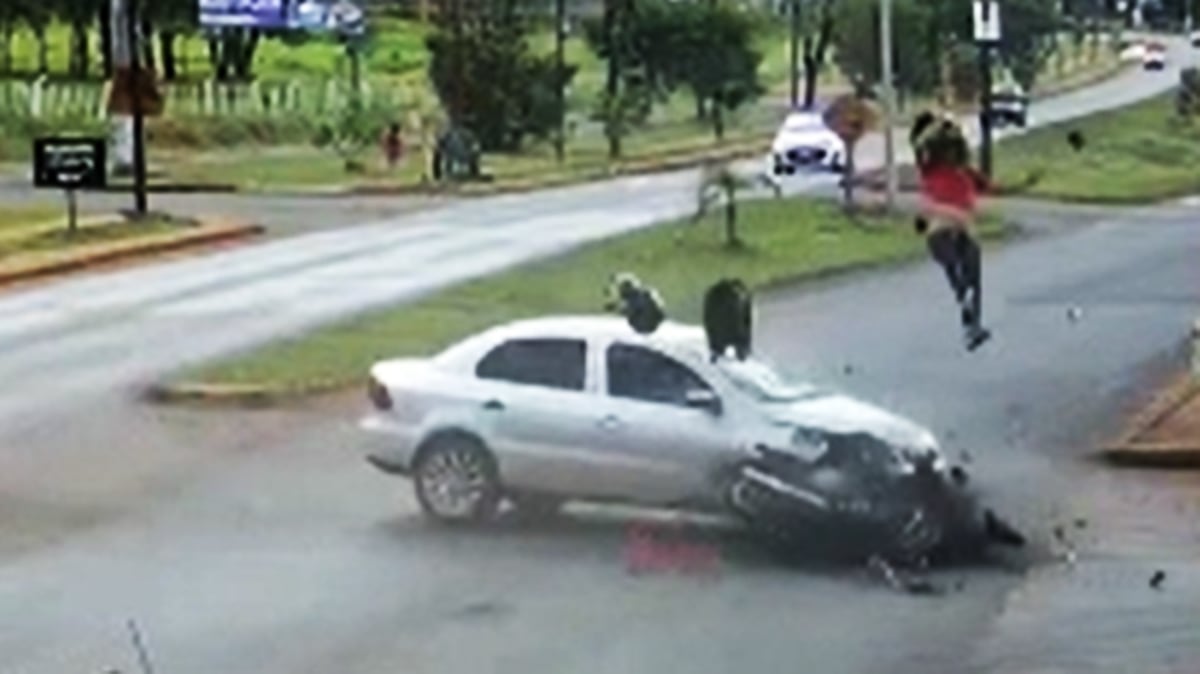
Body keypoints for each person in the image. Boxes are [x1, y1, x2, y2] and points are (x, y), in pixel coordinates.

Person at [910, 111, 991, 352]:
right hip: (962, 231)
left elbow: (926, 208)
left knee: (957, 273)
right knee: (971, 276)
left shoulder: (931, 178)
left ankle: (967, 311)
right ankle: (971, 323)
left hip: (941, 234)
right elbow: (982, 189)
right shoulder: (962, 176)